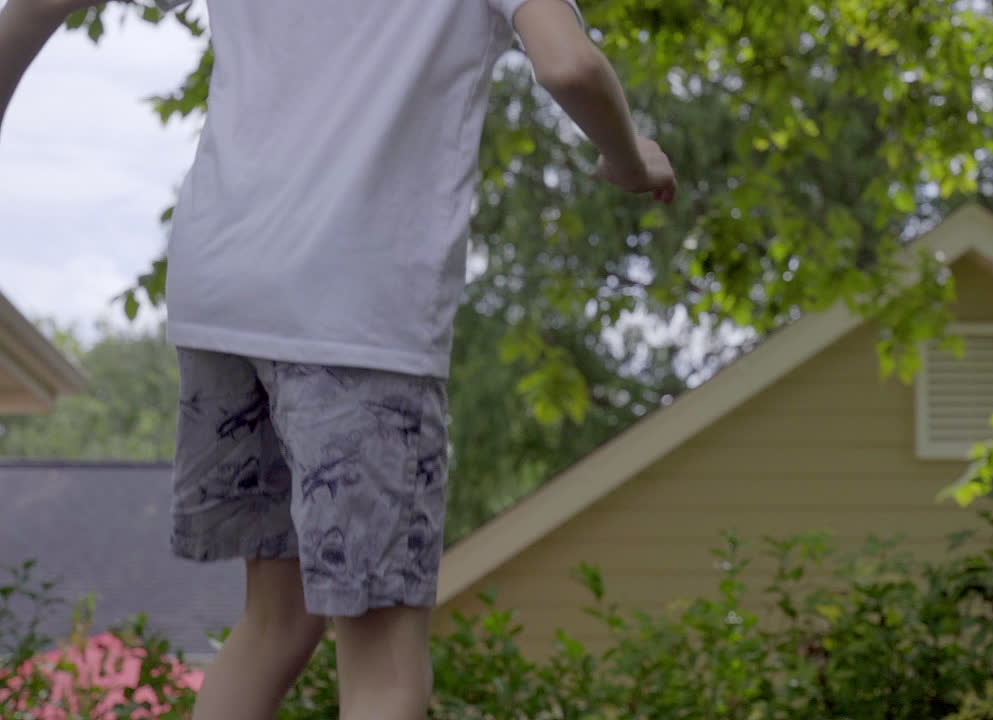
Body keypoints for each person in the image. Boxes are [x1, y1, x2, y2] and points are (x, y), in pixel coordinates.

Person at [0, 0, 677, 717]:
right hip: (355, 316)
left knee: (274, 623)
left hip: (222, 295)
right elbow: (568, 65)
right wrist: (627, 153)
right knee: (382, 660)